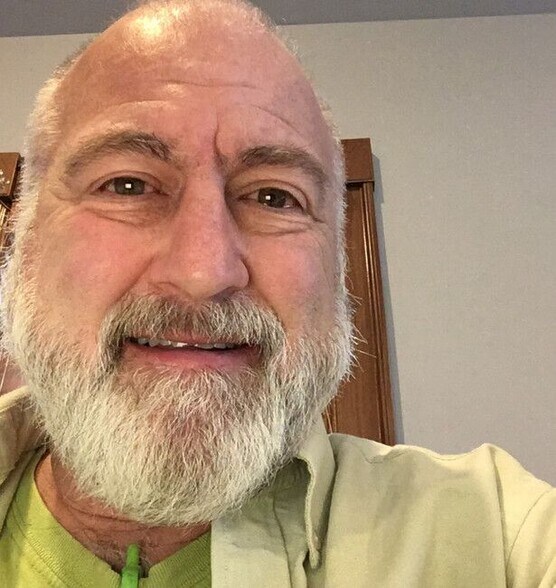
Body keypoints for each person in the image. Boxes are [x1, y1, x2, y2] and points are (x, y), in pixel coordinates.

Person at [0, 0, 554, 585]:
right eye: (128, 185)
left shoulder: (498, 536)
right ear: (25, 245)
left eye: (274, 197)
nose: (205, 272)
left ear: (336, 268)